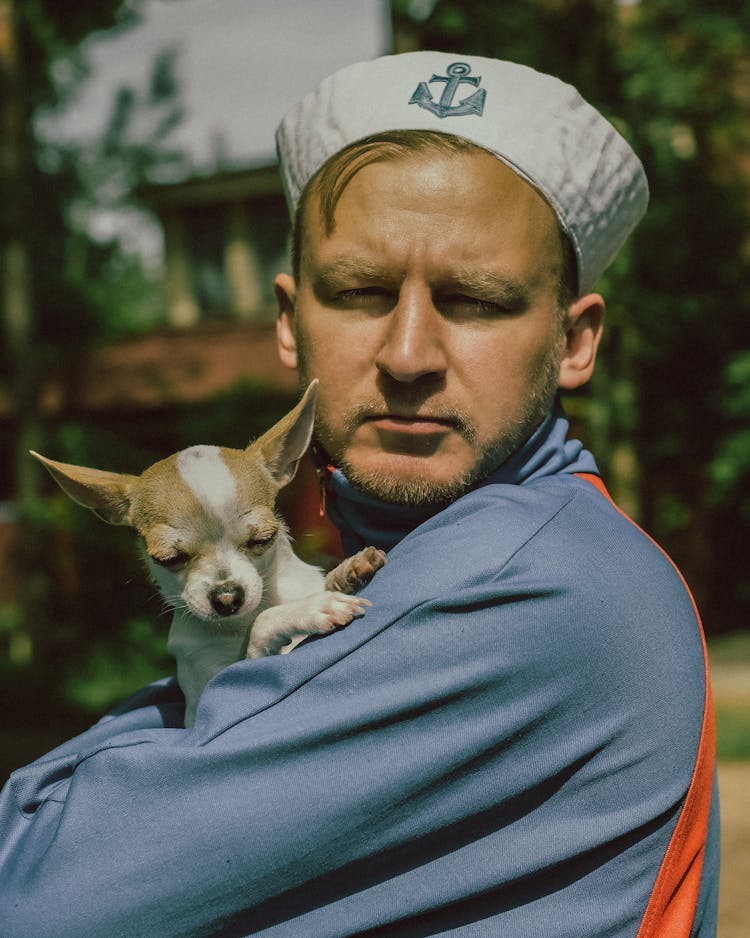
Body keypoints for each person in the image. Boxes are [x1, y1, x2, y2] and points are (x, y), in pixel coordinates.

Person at [0, 52, 718, 937]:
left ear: (575, 342)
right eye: (361, 292)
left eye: (478, 300)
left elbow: (34, 890)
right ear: (288, 321)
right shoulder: (417, 556)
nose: (408, 353)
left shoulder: (524, 583)